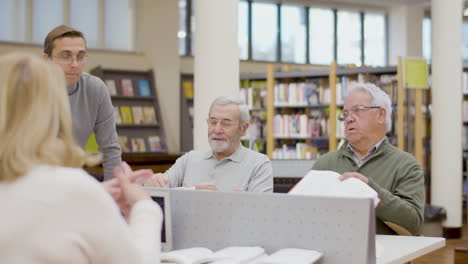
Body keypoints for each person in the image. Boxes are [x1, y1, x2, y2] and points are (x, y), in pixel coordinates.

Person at [0, 53, 162, 264]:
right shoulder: (73, 188)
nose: (74, 63)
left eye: (80, 55)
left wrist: (95, 195)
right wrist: (144, 207)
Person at [312, 83, 425, 235]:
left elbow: (413, 225)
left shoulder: (406, 165)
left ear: (381, 115)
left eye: (357, 110)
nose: (348, 119)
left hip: (385, 257)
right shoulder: (324, 163)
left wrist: (370, 191)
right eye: (345, 114)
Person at [145, 96, 273, 192]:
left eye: (226, 123)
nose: (217, 130)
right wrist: (153, 182)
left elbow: (259, 215)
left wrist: (217, 201)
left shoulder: (259, 165)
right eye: (213, 122)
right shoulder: (189, 159)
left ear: (243, 129)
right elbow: (159, 188)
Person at [43, 25, 121, 180]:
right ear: (47, 60)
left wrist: (115, 193)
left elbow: (110, 149)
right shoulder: (28, 89)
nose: (74, 64)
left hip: (71, 176)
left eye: (80, 56)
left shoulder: (95, 88)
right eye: (65, 56)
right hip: (30, 178)